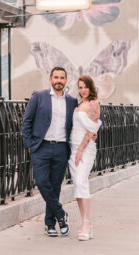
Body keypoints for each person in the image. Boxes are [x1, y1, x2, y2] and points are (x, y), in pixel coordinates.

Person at [22, 67, 77, 237]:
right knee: (41, 182)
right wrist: (29, 143)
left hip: (61, 148)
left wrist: (96, 128)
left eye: (62, 77)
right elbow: (27, 121)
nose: (59, 80)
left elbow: (82, 119)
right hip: (41, 147)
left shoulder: (72, 101)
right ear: (50, 79)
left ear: (66, 80)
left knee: (55, 187)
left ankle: (50, 224)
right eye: (56, 77)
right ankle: (61, 214)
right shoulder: (39, 96)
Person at [68, 75, 101, 241]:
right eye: (80, 87)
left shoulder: (94, 104)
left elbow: (93, 129)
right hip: (73, 148)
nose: (82, 90)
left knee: (82, 181)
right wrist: (75, 149)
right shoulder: (79, 105)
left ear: (91, 87)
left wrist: (81, 148)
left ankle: (86, 222)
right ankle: (85, 221)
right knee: (77, 186)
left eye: (85, 87)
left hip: (85, 149)